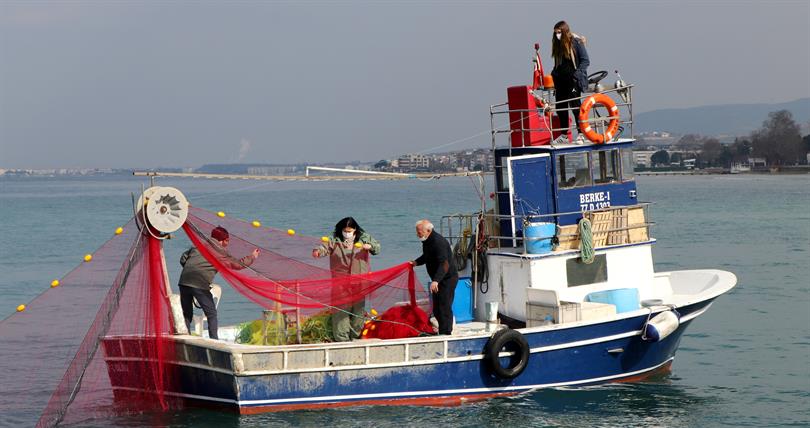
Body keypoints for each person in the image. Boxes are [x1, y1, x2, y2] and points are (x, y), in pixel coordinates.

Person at [178, 226, 259, 340]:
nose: (227, 244)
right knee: (211, 314)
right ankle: (214, 340)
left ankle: (185, 338)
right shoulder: (220, 252)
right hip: (200, 284)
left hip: (184, 281)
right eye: (227, 241)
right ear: (223, 240)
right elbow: (237, 264)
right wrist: (252, 257)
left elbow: (183, 258)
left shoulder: (199, 244)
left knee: (187, 313)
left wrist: (191, 269)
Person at [312, 217, 380, 342]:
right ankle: (341, 338)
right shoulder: (335, 240)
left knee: (358, 310)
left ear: (355, 230)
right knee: (341, 309)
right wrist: (318, 251)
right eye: (345, 230)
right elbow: (324, 247)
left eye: (349, 231)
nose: (347, 233)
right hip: (340, 281)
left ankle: (355, 336)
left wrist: (369, 246)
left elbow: (377, 248)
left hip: (360, 280)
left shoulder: (363, 237)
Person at [411, 219, 458, 335]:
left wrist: (436, 280)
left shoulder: (438, 242)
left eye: (419, 232)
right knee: (437, 309)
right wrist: (416, 262)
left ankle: (446, 333)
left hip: (447, 279)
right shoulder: (427, 241)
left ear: (428, 230)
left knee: (444, 307)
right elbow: (427, 256)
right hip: (438, 280)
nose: (418, 234)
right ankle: (442, 331)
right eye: (417, 232)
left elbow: (444, 264)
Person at [550, 20, 590, 145]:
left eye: (559, 32)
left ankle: (581, 133)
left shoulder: (576, 42)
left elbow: (585, 61)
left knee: (575, 105)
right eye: (555, 33)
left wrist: (576, 75)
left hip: (573, 80)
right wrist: (554, 73)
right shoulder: (557, 46)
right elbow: (558, 63)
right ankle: (564, 134)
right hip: (560, 80)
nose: (557, 35)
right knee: (560, 107)